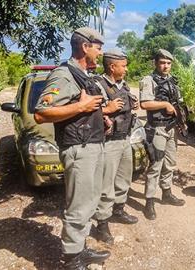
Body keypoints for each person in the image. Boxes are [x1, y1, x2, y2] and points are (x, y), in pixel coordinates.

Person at [34, 27, 110, 269]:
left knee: (89, 201)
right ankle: (71, 259)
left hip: (93, 146)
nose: (100, 53)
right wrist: (82, 108)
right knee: (79, 205)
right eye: (98, 48)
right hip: (79, 150)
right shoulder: (63, 74)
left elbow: (85, 105)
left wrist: (101, 116)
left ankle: (80, 248)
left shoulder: (83, 75)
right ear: (85, 47)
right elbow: (41, 113)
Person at [93, 48, 139, 244]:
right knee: (106, 185)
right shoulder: (98, 85)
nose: (126, 69)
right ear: (112, 67)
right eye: (124, 66)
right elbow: (88, 111)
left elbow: (126, 107)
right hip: (108, 142)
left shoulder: (124, 84)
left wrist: (133, 105)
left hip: (125, 139)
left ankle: (118, 210)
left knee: (124, 179)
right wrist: (107, 109)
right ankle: (102, 223)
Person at [139, 49, 186, 220]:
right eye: (162, 63)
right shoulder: (148, 80)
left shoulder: (172, 81)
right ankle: (149, 202)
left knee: (170, 163)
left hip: (171, 128)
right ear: (156, 63)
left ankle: (166, 193)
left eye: (168, 63)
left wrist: (182, 121)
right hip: (157, 128)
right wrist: (164, 104)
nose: (166, 66)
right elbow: (144, 104)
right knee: (155, 165)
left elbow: (178, 104)